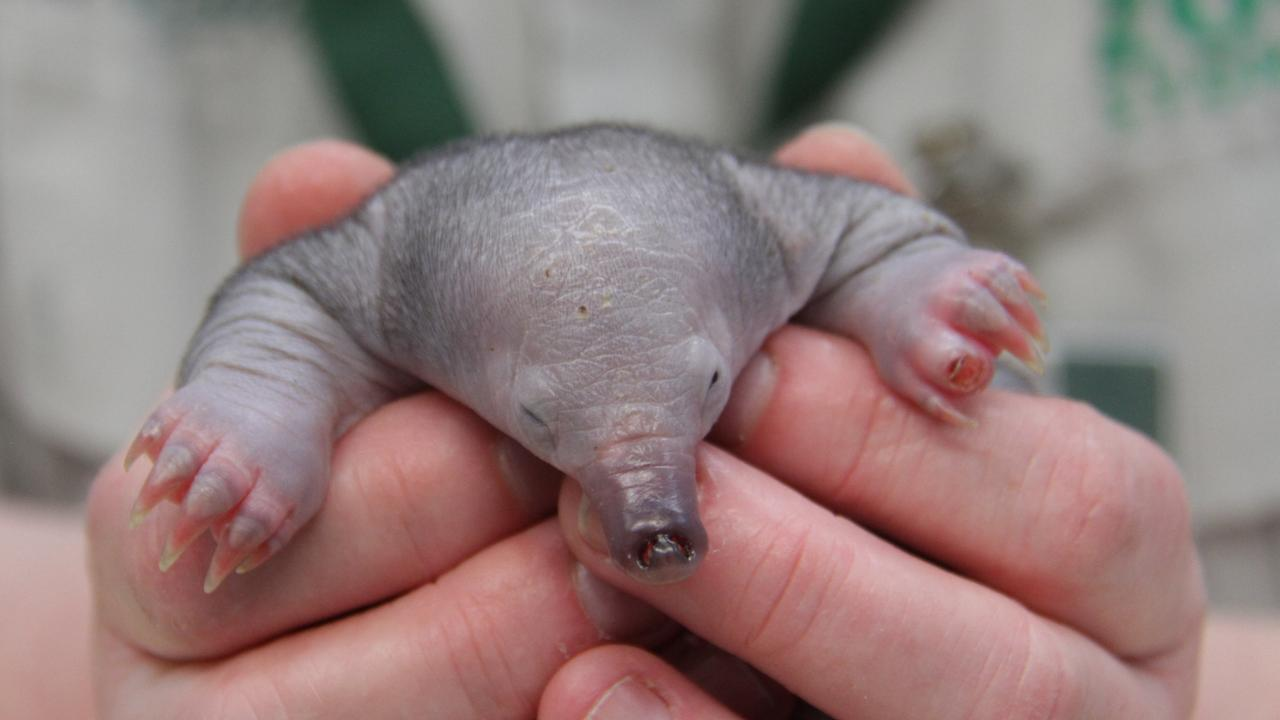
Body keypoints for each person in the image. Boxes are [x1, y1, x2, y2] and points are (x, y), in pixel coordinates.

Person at [4, 125, 1269, 719]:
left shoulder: (769, 216)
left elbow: (867, 230)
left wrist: (915, 297)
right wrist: (247, 442)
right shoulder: (380, 262)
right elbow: (283, 316)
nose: (646, 501)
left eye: (700, 383)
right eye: (546, 418)